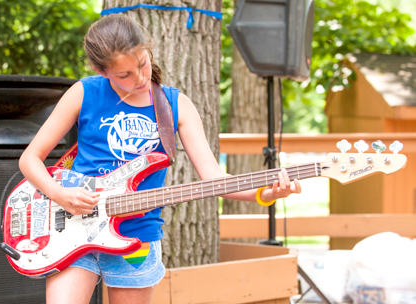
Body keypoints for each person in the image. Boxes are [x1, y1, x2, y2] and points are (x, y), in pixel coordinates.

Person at [19, 14, 301, 304]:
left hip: (136, 239)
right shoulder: (84, 92)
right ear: (100, 70)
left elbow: (214, 178)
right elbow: (30, 159)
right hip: (72, 229)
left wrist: (264, 193)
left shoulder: (175, 104)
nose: (139, 78)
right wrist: (59, 194)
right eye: (124, 75)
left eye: (142, 64)